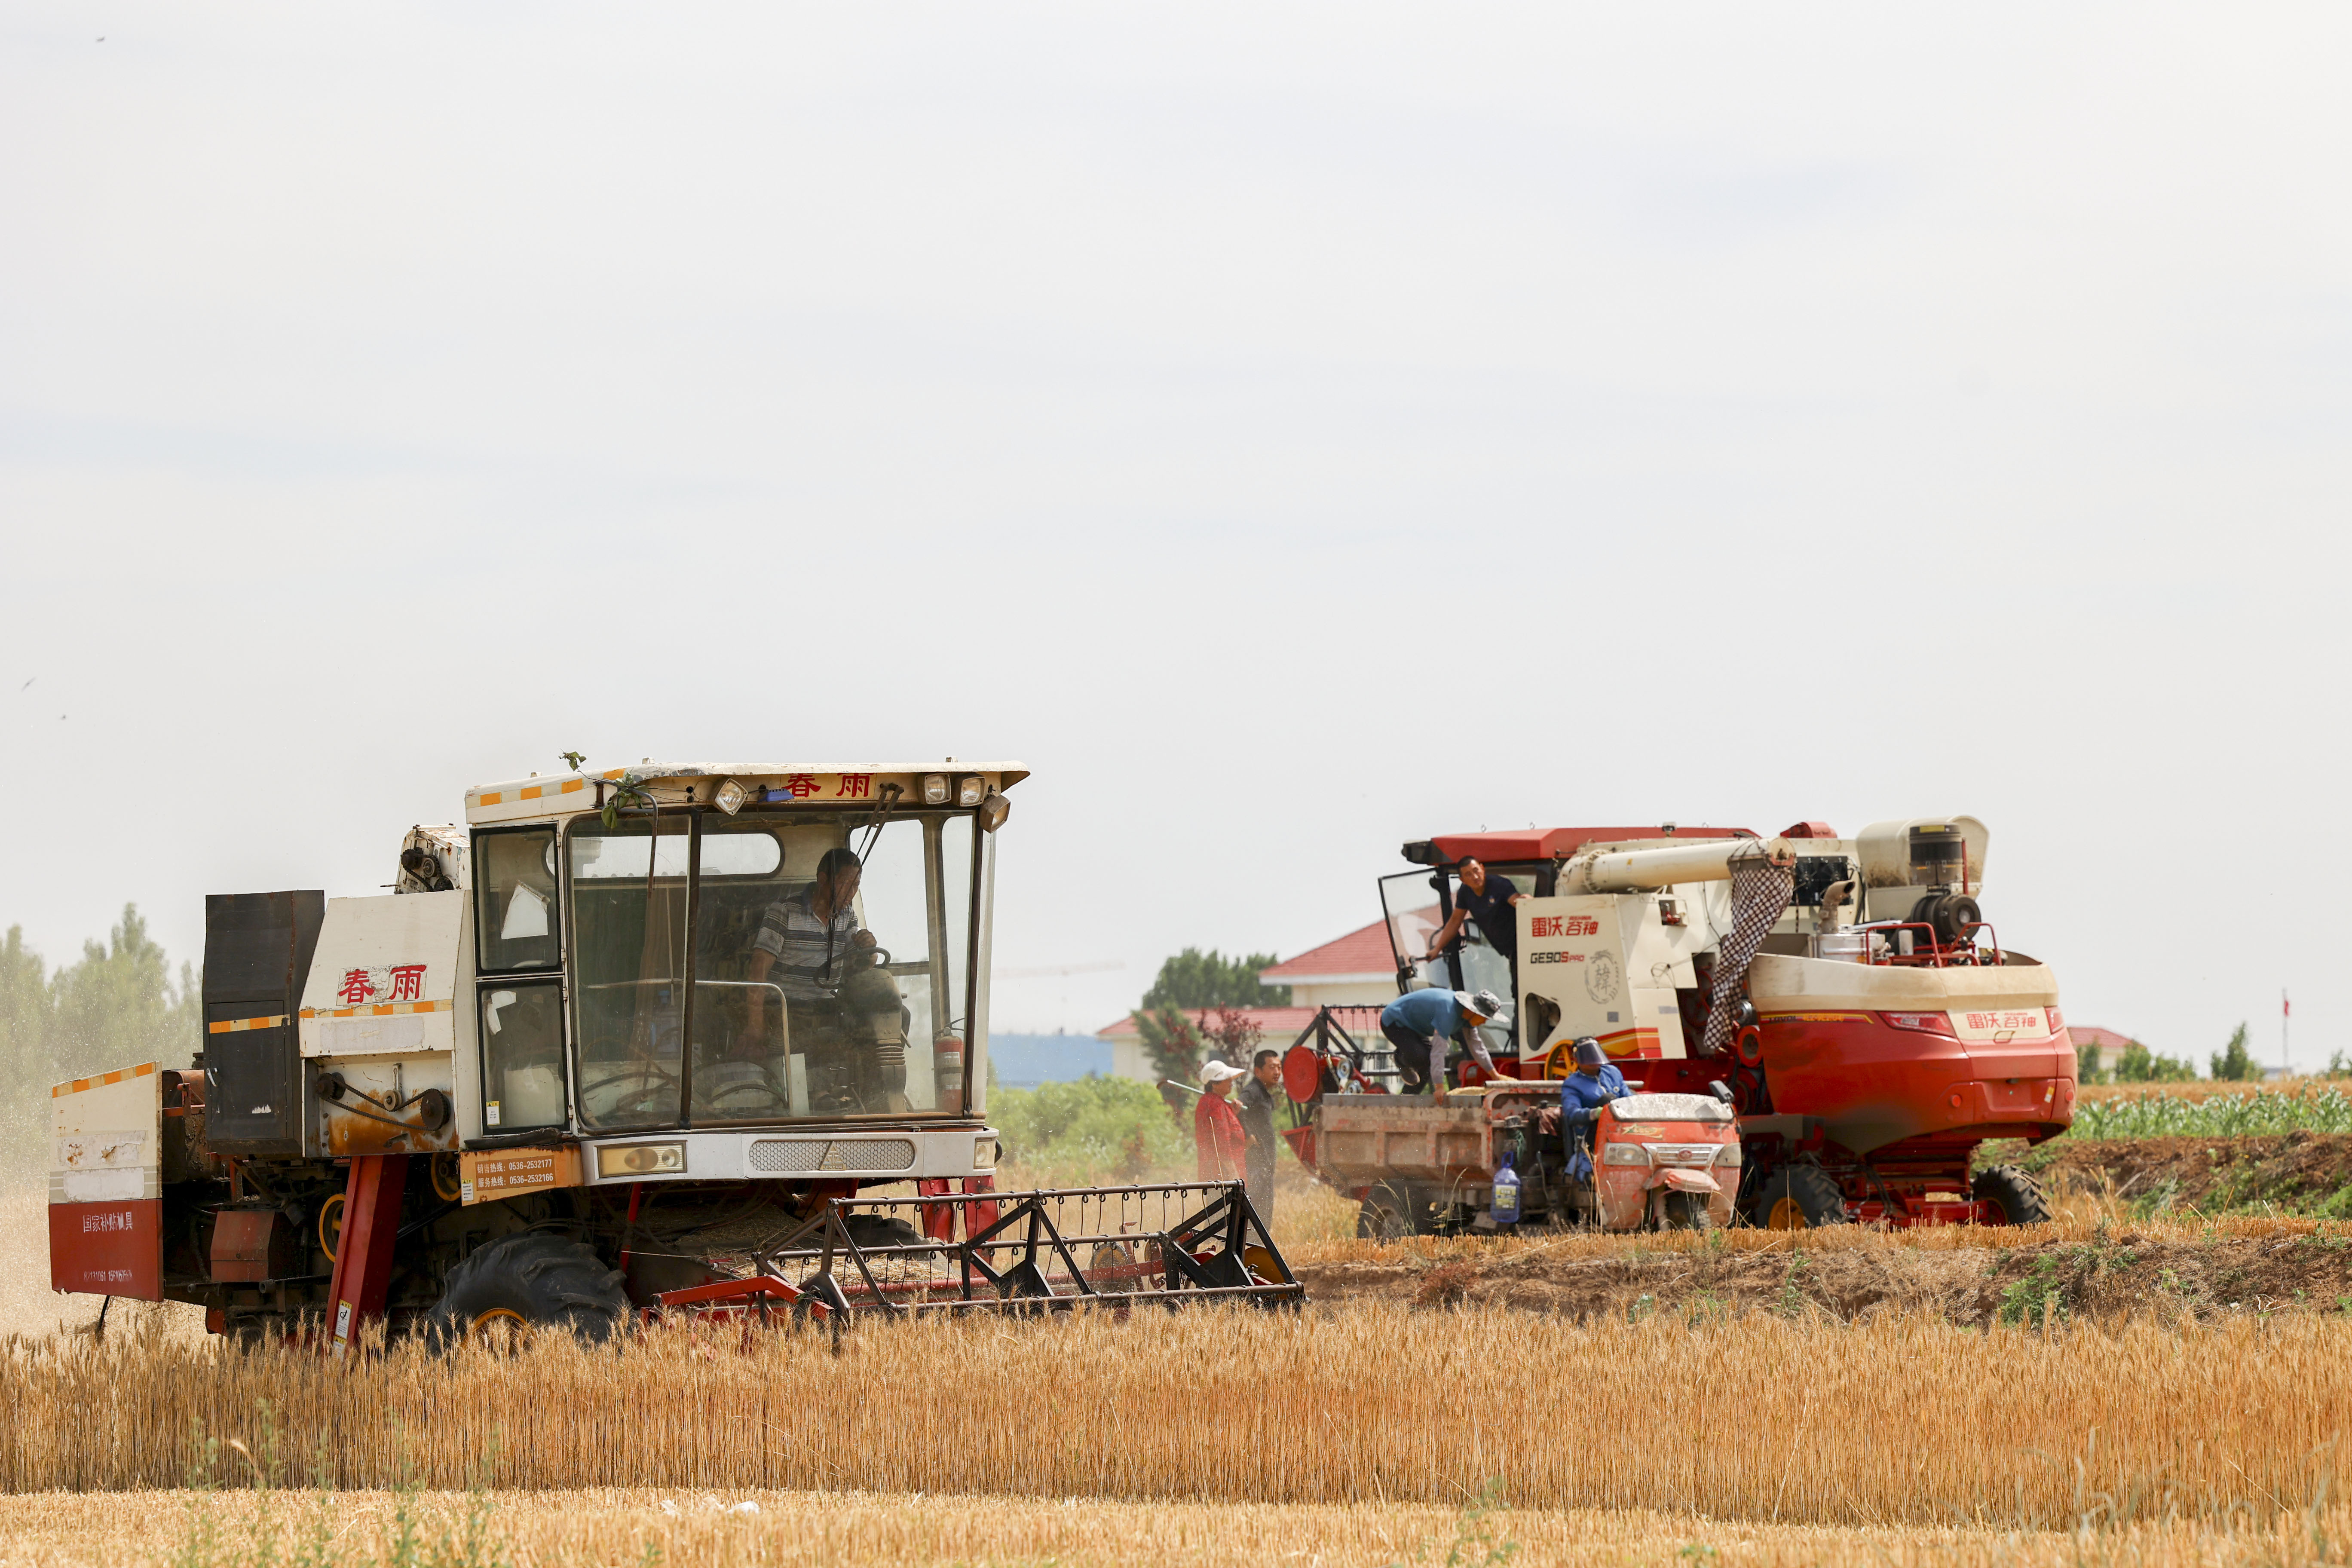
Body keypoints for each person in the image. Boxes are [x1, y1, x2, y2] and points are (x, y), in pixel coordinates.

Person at [1379, 988, 1504, 1101]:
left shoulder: (1467, 1018)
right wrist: (1440, 1087)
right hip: (1394, 1021)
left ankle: (1406, 1099)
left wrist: (1495, 1076)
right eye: (1485, 1017)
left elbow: (1477, 1047)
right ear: (1475, 1011)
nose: (1485, 1022)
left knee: (1428, 1062)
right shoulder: (1449, 1013)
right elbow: (1438, 1052)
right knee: (1420, 1056)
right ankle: (1401, 1058)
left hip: (1415, 1028)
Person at [1424, 858, 1528, 989]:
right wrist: (1437, 949)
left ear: (1482, 869)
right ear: (1462, 880)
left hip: (1525, 947)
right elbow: (1455, 920)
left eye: (1476, 871)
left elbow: (1518, 902)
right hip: (1510, 953)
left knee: (1521, 991)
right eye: (1468, 875)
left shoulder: (1499, 884)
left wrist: (1526, 901)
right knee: (1518, 991)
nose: (1475, 877)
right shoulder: (1465, 893)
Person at [1558, 1037, 1629, 1183]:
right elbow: (1572, 1114)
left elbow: (1628, 1097)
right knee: (1607, 1100)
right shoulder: (1572, 1084)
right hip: (1591, 1133)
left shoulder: (1613, 1073)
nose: (1594, 1063)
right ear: (1577, 1060)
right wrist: (1597, 1113)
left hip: (1623, 1127)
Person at [1237, 1048, 1283, 1215]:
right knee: (1255, 1213)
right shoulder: (1254, 1090)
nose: (1277, 1072)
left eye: (1279, 1067)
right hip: (1256, 1165)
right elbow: (1239, 1107)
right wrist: (1248, 1135)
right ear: (1258, 1071)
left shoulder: (1264, 1093)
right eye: (1272, 1067)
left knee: (1263, 1213)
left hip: (1265, 1165)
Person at [1194, 1060, 1250, 1182]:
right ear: (1214, 1084)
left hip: (1216, 1173)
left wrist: (1232, 1114)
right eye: (1227, 1079)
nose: (1231, 1082)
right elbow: (1221, 1140)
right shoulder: (1215, 1104)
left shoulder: (1213, 1102)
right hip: (1223, 1176)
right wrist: (1232, 1171)